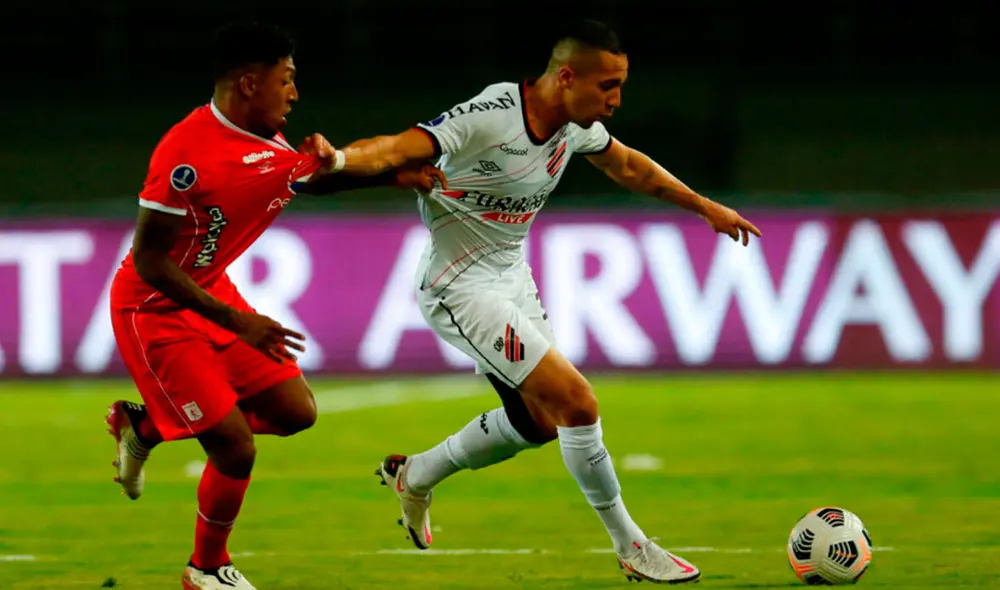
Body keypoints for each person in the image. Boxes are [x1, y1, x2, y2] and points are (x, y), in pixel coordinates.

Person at [332, 18, 761, 585]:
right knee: (578, 404)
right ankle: (632, 546)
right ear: (565, 77)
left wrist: (705, 206)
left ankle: (416, 475)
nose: (616, 100)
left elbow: (629, 165)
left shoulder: (573, 127)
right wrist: (338, 161)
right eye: (607, 86)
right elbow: (393, 147)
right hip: (459, 287)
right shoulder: (489, 117)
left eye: (620, 85)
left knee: (539, 421)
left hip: (511, 279)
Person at [104, 21, 443, 590]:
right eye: (286, 80)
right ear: (247, 84)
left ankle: (148, 426)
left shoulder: (265, 137)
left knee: (295, 412)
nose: (294, 93)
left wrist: (392, 177)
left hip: (210, 291)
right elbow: (150, 262)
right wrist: (237, 320)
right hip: (154, 308)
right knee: (233, 447)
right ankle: (205, 568)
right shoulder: (185, 156)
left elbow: (301, 180)